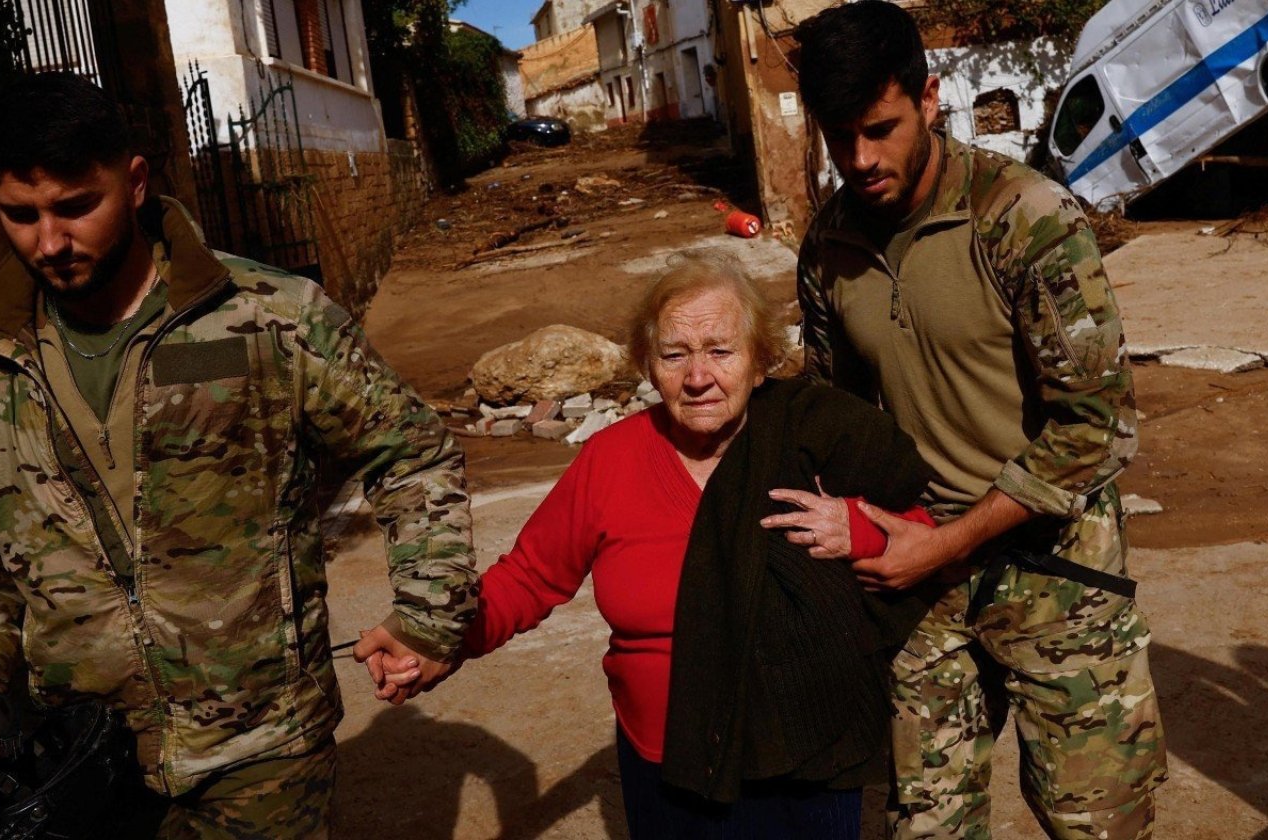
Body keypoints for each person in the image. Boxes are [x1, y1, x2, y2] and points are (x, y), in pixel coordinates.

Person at [0, 72, 475, 840]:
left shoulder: (268, 319)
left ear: (133, 182)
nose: (49, 242)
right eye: (18, 216)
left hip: (264, 754)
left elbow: (410, 454)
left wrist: (431, 613)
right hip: (85, 767)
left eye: (74, 207)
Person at [779, 3, 1170, 838]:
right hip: (917, 585)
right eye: (837, 135)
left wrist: (952, 541)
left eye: (878, 129)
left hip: (1054, 578)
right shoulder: (831, 246)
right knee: (926, 824)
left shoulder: (1023, 219)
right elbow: (838, 414)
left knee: (1095, 821)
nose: (858, 158)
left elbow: (1098, 427)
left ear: (930, 99)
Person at [381, 256, 935, 839]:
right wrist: (436, 636)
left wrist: (858, 528)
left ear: (759, 362)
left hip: (807, 752)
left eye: (721, 351)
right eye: (674, 355)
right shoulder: (612, 460)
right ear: (649, 365)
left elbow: (918, 533)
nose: (698, 377)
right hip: (665, 758)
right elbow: (529, 576)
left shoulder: (817, 435)